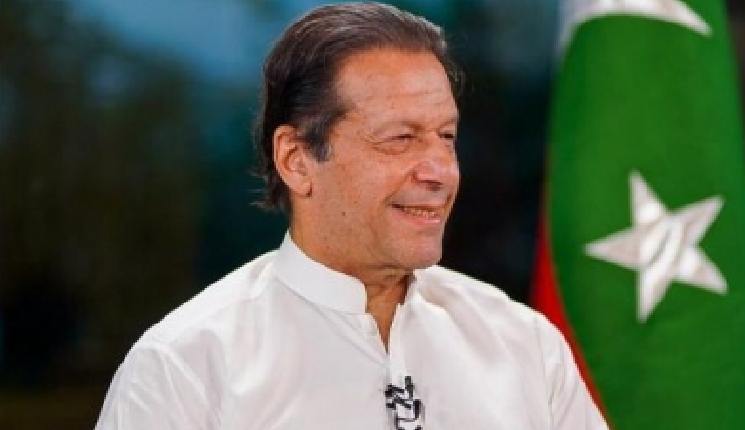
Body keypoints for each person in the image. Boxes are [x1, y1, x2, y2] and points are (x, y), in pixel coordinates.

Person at [94, 3, 607, 429]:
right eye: (400, 138)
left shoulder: (523, 345)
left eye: (446, 137)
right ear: (297, 160)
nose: (440, 171)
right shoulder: (184, 369)